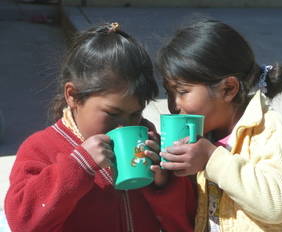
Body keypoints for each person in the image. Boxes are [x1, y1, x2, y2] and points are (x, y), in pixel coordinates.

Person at [5, 23, 196, 232]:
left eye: (135, 114)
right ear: (72, 95)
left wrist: (164, 184)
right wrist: (79, 165)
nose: (125, 125)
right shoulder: (41, 149)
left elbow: (185, 222)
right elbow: (23, 223)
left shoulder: (149, 143)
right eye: (112, 114)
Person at [158, 19, 282, 232]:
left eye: (182, 92)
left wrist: (212, 158)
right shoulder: (207, 136)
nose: (174, 104)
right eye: (168, 93)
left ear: (228, 89)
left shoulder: (272, 132)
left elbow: (278, 204)